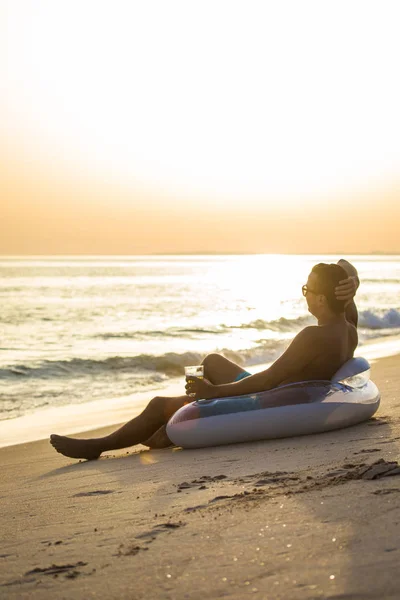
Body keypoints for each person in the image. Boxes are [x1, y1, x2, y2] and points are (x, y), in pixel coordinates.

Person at [50, 259, 360, 460]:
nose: (304, 294)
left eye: (307, 289)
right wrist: (352, 281)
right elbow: (347, 296)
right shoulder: (348, 329)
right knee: (212, 361)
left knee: (159, 403)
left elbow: (267, 380)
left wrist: (212, 394)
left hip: (269, 399)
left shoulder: (312, 336)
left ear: (322, 299)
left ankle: (99, 446)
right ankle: (171, 426)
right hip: (288, 389)